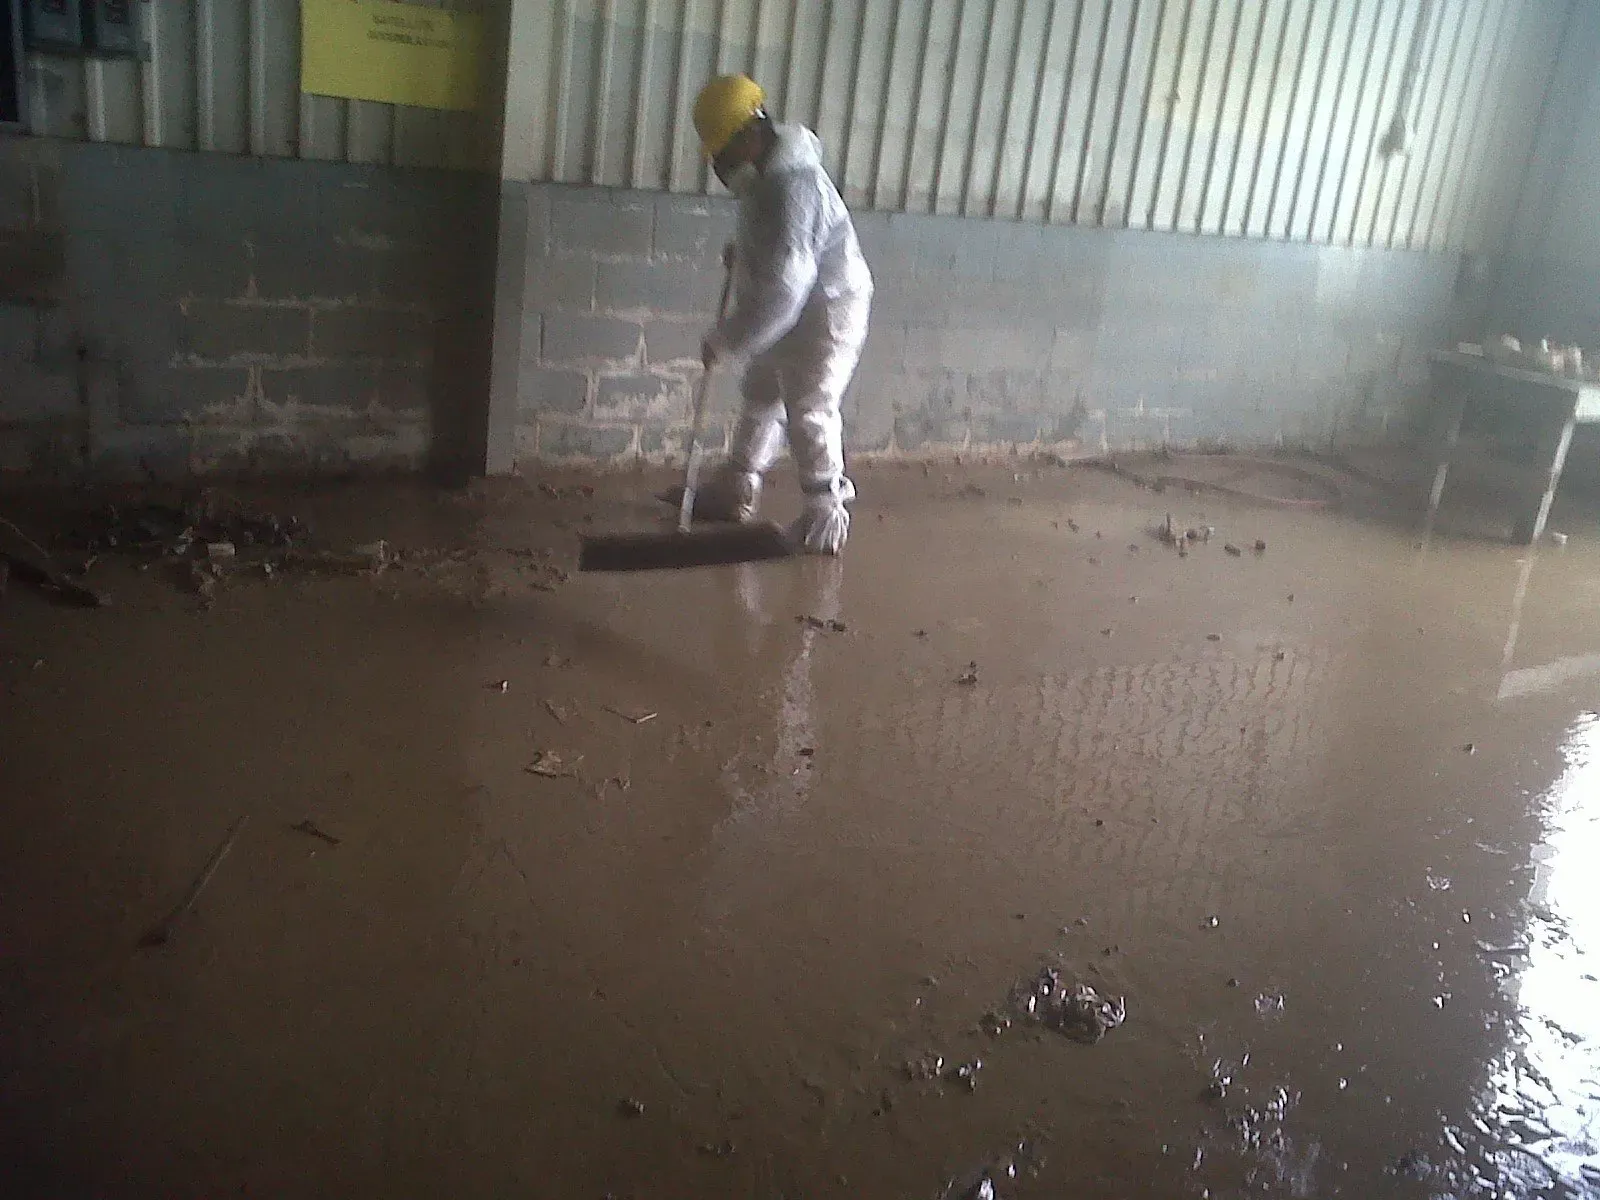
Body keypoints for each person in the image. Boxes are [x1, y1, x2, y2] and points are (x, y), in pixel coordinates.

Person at [688, 74, 873, 556]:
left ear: (751, 135)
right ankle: (737, 490)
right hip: (796, 305)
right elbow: (777, 256)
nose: (723, 169)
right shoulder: (769, 179)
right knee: (762, 390)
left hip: (828, 309)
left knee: (810, 408)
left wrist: (726, 338)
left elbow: (785, 290)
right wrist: (745, 255)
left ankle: (824, 518)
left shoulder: (794, 187)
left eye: (725, 156)